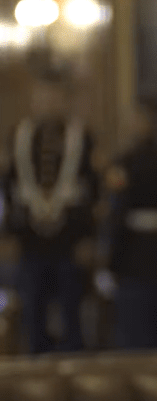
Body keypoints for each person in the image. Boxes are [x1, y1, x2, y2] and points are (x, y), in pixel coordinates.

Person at [1, 67, 100, 354]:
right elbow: (11, 188)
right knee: (33, 311)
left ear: (63, 100)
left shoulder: (80, 138)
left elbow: (91, 191)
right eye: (41, 97)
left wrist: (87, 237)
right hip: (31, 241)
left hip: (69, 240)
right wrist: (9, 233)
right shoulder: (19, 137)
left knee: (71, 311)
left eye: (52, 97)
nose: (46, 103)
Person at [98, 96, 157, 349]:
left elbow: (117, 215)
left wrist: (111, 263)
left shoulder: (124, 165)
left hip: (134, 261)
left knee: (134, 343)